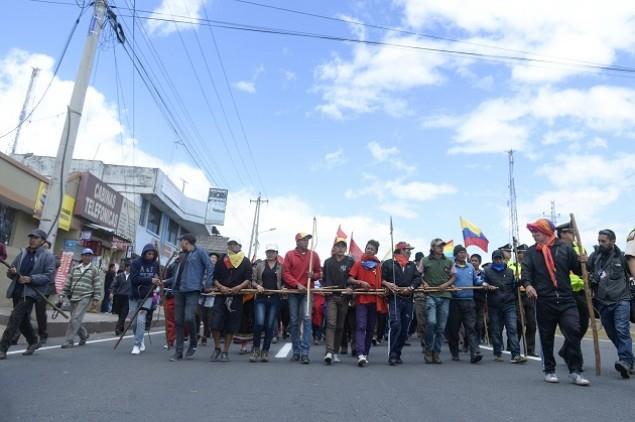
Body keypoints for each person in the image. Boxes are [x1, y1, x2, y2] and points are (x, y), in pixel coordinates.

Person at [522, 218, 589, 386]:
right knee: (546, 336)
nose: (533, 234)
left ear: (546, 231)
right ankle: (549, 370)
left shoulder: (565, 248)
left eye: (536, 231)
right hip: (544, 300)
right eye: (532, 232)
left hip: (567, 299)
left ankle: (575, 371)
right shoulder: (531, 252)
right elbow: (526, 273)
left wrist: (584, 262)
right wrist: (528, 285)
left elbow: (578, 270)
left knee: (574, 331)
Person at [0, 229, 55, 359]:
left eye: (35, 238)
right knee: (23, 320)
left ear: (42, 241)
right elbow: (11, 272)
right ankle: (33, 341)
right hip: (17, 290)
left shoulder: (47, 256)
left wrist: (31, 279)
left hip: (30, 293)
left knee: (14, 318)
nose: (32, 240)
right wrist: (12, 272)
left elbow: (48, 276)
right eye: (31, 237)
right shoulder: (23, 253)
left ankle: (2, 349)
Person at [588, 229, 634, 378]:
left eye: (603, 241)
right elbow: (582, 270)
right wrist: (581, 262)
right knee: (611, 332)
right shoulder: (594, 257)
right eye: (599, 240)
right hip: (602, 302)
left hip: (621, 299)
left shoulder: (622, 257)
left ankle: (625, 361)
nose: (600, 243)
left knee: (622, 329)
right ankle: (630, 360)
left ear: (613, 241)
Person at [164, 234, 213, 361]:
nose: (180, 244)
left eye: (181, 241)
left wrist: (207, 283)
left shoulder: (200, 251)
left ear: (186, 242)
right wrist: (164, 282)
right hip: (178, 290)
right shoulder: (182, 255)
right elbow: (177, 275)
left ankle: (193, 341)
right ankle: (178, 352)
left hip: (193, 290)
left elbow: (209, 266)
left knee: (189, 317)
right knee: (178, 320)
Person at [282, 232, 321, 364]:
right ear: (297, 241)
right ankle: (296, 351)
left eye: (307, 240)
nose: (306, 242)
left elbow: (319, 273)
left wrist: (313, 275)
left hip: (307, 292)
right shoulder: (289, 255)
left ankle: (305, 352)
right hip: (294, 292)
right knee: (294, 321)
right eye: (303, 240)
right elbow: (285, 273)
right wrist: (296, 284)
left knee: (307, 319)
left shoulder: (313, 255)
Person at [210, 239, 251, 362]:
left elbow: (248, 279)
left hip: (237, 295)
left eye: (235, 244)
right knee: (215, 323)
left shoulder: (245, 261)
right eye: (231, 244)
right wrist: (221, 287)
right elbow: (215, 278)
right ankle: (217, 347)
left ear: (240, 246)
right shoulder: (222, 260)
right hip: (221, 294)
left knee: (231, 325)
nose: (233, 246)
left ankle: (225, 351)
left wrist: (238, 287)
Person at [382, 241, 421, 366]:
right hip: (394, 298)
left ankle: (398, 353)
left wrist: (411, 287)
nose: (409, 252)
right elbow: (380, 279)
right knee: (396, 324)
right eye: (407, 249)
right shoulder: (389, 264)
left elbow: (418, 278)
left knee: (404, 329)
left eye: (410, 250)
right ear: (400, 251)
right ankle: (392, 355)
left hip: (408, 299)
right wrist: (387, 283)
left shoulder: (412, 265)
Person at [482, 250, 524, 363]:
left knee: (512, 328)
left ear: (503, 259)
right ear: (492, 260)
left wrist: (519, 282)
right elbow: (481, 282)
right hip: (494, 305)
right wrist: (486, 285)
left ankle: (516, 355)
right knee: (496, 330)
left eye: (500, 258)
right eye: (496, 259)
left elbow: (515, 287)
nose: (498, 260)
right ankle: (498, 352)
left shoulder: (510, 271)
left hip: (509, 304)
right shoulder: (486, 271)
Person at [349, 239, 386, 367]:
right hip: (361, 300)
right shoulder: (358, 264)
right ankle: (360, 354)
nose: (369, 250)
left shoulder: (378, 266)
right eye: (368, 247)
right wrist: (360, 283)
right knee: (361, 326)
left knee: (370, 328)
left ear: (376, 251)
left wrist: (386, 285)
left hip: (374, 300)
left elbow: (381, 281)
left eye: (372, 248)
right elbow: (350, 279)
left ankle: (365, 353)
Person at [447, 245, 483, 363]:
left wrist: (483, 283)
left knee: (471, 328)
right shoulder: (452, 267)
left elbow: (476, 281)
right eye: (460, 252)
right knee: (454, 329)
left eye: (464, 252)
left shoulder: (470, 267)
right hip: (455, 302)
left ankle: (475, 353)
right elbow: (447, 281)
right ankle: (455, 352)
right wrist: (451, 286)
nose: (463, 254)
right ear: (456, 255)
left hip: (469, 301)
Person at [421, 238, 455, 364]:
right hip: (430, 295)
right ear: (432, 247)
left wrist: (446, 284)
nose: (441, 248)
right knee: (431, 322)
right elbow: (418, 275)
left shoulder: (448, 261)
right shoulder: (425, 260)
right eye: (439, 246)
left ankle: (436, 352)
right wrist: (424, 283)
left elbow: (453, 277)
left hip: (445, 295)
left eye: (442, 246)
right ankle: (428, 350)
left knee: (441, 327)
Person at [59, 248, 102, 348]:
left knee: (75, 318)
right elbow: (68, 283)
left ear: (91, 257)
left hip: (85, 297)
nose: (87, 257)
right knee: (75, 319)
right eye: (85, 255)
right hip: (73, 297)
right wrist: (62, 294)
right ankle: (84, 335)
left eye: (89, 255)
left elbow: (97, 285)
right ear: (82, 256)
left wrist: (96, 299)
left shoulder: (94, 270)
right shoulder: (75, 268)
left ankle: (69, 341)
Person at [322, 239, 355, 365]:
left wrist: (351, 288)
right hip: (331, 297)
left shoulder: (350, 261)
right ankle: (329, 352)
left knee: (340, 326)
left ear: (345, 249)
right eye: (338, 246)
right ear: (334, 248)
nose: (340, 249)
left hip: (344, 297)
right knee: (331, 324)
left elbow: (353, 278)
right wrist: (325, 289)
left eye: (343, 246)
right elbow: (324, 279)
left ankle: (335, 351)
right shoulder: (328, 262)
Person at [557, 223, 589, 340]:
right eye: (570, 232)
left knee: (583, 324)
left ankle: (570, 346)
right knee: (570, 326)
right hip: (564, 293)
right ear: (562, 234)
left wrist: (586, 261)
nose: (573, 235)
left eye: (573, 232)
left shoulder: (580, 248)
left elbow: (586, 270)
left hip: (580, 292)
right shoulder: (556, 249)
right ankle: (572, 347)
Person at [251, 244, 282, 362]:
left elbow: (283, 281)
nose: (270, 254)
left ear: (276, 253)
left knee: (270, 326)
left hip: (275, 298)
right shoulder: (259, 265)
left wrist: (283, 288)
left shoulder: (281, 267)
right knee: (259, 323)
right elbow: (252, 280)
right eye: (268, 252)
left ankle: (265, 351)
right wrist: (257, 285)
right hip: (261, 298)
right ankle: (255, 350)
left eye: (272, 252)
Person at [129, 244, 161, 356]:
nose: (151, 256)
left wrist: (158, 281)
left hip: (148, 296)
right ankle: (140, 337)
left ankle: (137, 344)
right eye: (149, 253)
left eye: (153, 254)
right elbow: (134, 279)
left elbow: (158, 278)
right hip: (134, 296)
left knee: (141, 320)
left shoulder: (156, 265)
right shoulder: (136, 263)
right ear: (144, 253)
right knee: (133, 322)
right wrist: (150, 280)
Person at [508, 244, 537, 356]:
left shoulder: (532, 265)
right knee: (519, 323)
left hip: (529, 295)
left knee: (532, 324)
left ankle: (530, 350)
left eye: (525, 252)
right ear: (517, 254)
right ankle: (512, 347)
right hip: (517, 296)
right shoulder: (511, 265)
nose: (523, 254)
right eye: (520, 252)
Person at [196, 252, 218, 346]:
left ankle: (205, 335)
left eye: (214, 258)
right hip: (200, 294)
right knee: (197, 315)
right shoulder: (202, 268)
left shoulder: (218, 270)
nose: (212, 259)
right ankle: (197, 333)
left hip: (211, 296)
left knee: (207, 318)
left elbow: (218, 283)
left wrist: (211, 289)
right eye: (211, 257)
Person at [470, 254, 487, 344]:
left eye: (475, 261)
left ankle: (478, 337)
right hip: (469, 299)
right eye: (472, 260)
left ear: (479, 262)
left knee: (479, 322)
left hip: (480, 300)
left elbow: (484, 282)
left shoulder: (483, 273)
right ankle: (469, 341)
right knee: (470, 322)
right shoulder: (468, 271)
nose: (473, 262)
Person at [111, 262, 131, 336]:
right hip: (119, 296)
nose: (130, 268)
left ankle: (117, 328)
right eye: (129, 266)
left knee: (124, 313)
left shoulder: (133, 277)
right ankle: (121, 327)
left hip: (128, 297)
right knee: (119, 313)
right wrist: (112, 292)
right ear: (126, 267)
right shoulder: (119, 276)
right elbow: (114, 285)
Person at [413, 251, 427, 353]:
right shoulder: (413, 270)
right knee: (421, 322)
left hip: (430, 297)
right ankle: (424, 341)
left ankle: (430, 342)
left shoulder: (428, 270)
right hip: (418, 298)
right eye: (419, 260)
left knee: (431, 322)